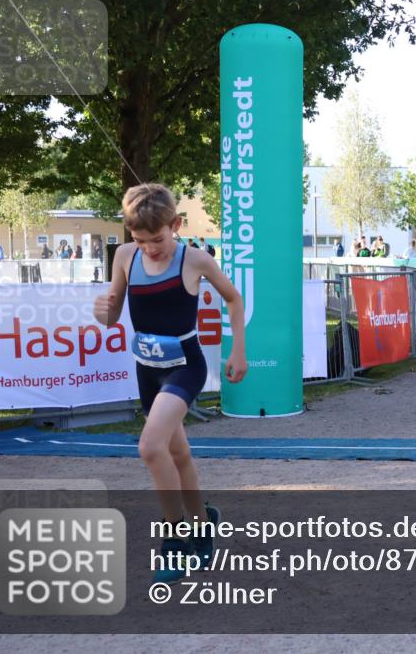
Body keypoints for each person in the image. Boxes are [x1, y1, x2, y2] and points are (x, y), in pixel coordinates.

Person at [94, 183, 247, 584]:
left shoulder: (194, 260)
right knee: (177, 455)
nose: (150, 248)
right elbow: (112, 318)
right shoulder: (126, 257)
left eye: (157, 239)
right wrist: (102, 312)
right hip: (146, 366)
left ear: (175, 224)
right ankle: (202, 523)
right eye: (140, 240)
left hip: (185, 364)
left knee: (149, 446)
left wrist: (238, 350)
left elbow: (233, 298)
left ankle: (175, 541)